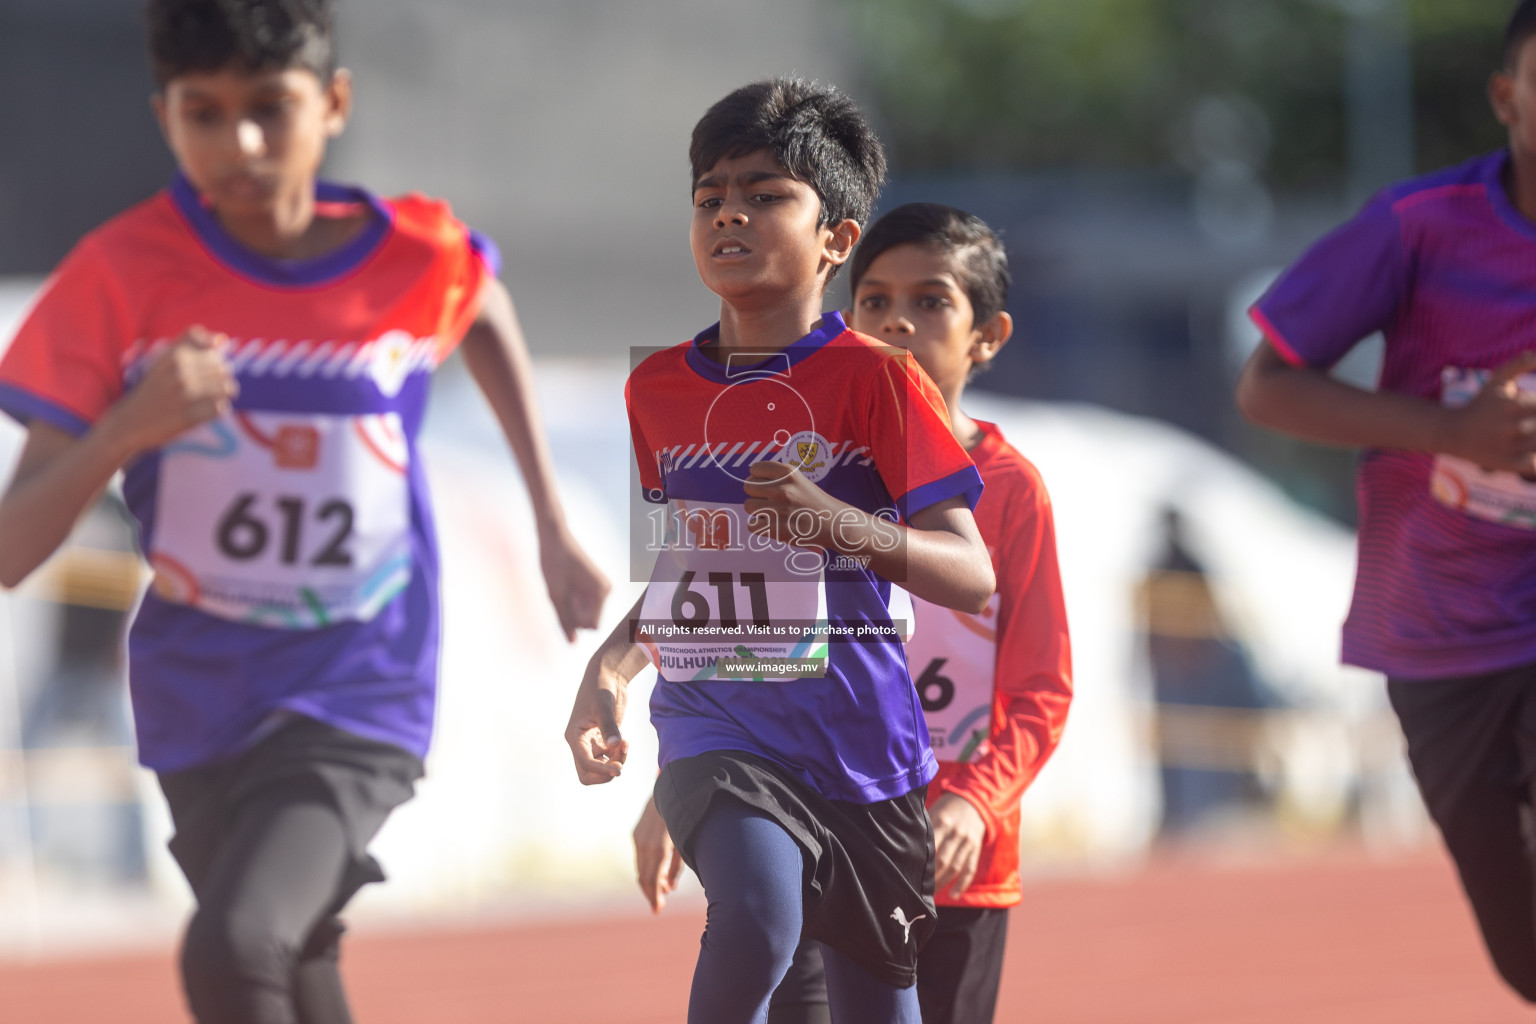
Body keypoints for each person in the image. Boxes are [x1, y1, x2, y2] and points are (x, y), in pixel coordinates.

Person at [0, 2, 609, 1021]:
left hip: (360, 682)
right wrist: (124, 429)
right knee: (291, 960)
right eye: (204, 113)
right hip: (199, 696)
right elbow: (15, 549)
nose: (238, 144)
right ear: (165, 116)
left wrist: (550, 516)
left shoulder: (412, 254)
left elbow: (483, 301)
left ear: (332, 105)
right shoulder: (117, 276)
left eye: (270, 110)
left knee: (234, 949)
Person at [565, 80, 995, 1024]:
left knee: (880, 1005)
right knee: (757, 921)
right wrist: (610, 669)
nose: (729, 212)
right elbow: (680, 572)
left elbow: (972, 572)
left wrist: (840, 524)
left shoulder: (882, 383)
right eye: (710, 194)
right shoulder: (656, 389)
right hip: (718, 726)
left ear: (837, 238)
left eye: (764, 194)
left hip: (863, 745)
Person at [630, 202, 1073, 1024]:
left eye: (931, 301)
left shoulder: (1011, 491)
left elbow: (1043, 687)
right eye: (875, 301)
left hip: (951, 844)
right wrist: (672, 786)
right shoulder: (797, 457)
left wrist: (976, 800)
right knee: (766, 938)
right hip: (805, 793)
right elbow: (718, 634)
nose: (898, 322)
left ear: (988, 335)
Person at [1235, 0, 1536, 1002]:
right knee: (1522, 951)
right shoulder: (1419, 228)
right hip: (1441, 630)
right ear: (1507, 97)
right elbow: (1266, 385)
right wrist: (1455, 433)